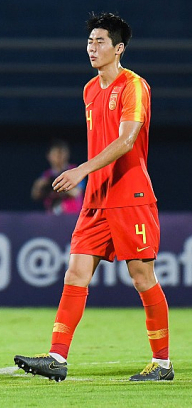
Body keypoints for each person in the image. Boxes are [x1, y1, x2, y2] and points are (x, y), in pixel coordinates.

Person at [14, 12, 172, 382]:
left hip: (130, 194)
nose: (92, 48)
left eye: (100, 42)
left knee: (141, 276)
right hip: (97, 199)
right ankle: (56, 356)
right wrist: (89, 179)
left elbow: (127, 140)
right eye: (90, 41)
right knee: (76, 271)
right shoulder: (88, 89)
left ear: (119, 49)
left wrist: (81, 169)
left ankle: (162, 364)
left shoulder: (134, 86)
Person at [31, 139, 84, 214]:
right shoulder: (46, 175)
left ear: (67, 154)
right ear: (49, 156)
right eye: (55, 154)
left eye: (61, 154)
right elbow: (35, 195)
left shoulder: (74, 171)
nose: (59, 157)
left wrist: (58, 187)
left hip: (72, 216)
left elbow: (77, 193)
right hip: (52, 216)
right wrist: (40, 186)